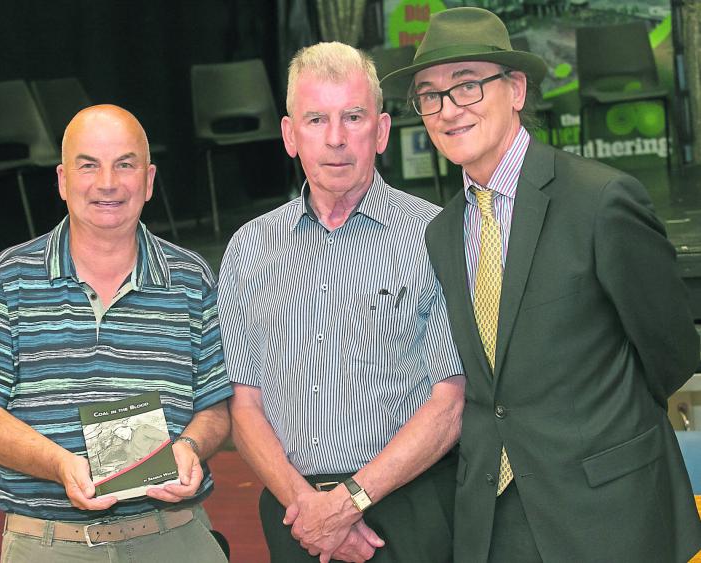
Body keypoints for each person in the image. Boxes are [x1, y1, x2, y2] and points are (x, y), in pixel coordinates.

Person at [382, 7, 701, 562]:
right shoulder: (441, 230)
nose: (447, 109)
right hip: (494, 517)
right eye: (429, 95)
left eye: (467, 86)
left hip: (607, 513)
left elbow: (671, 354)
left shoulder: (601, 201)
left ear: (517, 89)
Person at [217, 42, 465, 563]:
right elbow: (245, 406)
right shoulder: (248, 250)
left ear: (380, 132)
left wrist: (350, 502)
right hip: (296, 513)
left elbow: (451, 401)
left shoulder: (435, 235)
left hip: (412, 504)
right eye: (316, 119)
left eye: (353, 117)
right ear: (289, 135)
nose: (335, 139)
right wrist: (309, 508)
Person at [0, 105, 232, 562]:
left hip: (175, 538)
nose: (107, 183)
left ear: (149, 179)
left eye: (125, 164)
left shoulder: (191, 278)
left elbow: (216, 407)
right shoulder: (12, 277)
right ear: (62, 180)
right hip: (48, 544)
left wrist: (192, 446)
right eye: (89, 165)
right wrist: (59, 464)